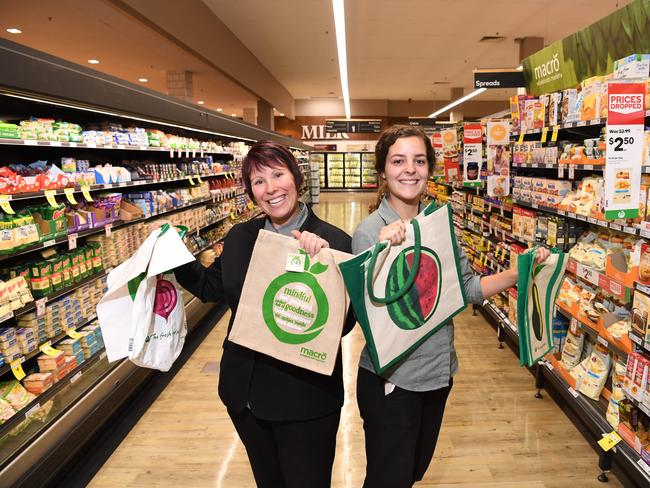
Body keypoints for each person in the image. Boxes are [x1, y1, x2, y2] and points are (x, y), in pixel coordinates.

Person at [352, 125, 548, 488]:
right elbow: (369, 315)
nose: (409, 169)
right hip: (394, 382)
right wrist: (380, 254)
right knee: (387, 478)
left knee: (412, 472)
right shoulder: (369, 231)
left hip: (438, 374)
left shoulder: (440, 224)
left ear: (429, 169)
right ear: (383, 171)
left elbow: (469, 289)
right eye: (398, 161)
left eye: (419, 160)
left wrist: (520, 272)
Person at [171, 140, 355, 488]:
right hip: (246, 396)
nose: (271, 188)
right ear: (251, 192)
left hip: (305, 401)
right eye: (258, 181)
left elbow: (344, 325)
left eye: (278, 174)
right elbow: (212, 287)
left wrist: (325, 271)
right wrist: (174, 255)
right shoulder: (242, 236)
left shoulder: (333, 242)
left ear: (296, 178)